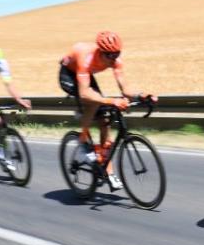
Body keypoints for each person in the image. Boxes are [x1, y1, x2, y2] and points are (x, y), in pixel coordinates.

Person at [58, 30, 157, 191]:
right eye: (110, 55)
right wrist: (112, 101)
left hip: (86, 74)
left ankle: (107, 170)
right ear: (101, 52)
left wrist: (142, 95)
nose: (114, 58)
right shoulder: (86, 57)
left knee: (105, 120)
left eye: (117, 54)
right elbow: (84, 93)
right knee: (94, 102)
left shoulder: (115, 60)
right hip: (69, 74)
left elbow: (125, 89)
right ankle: (82, 141)